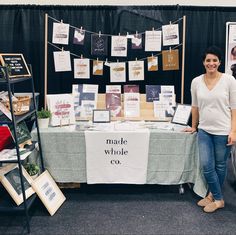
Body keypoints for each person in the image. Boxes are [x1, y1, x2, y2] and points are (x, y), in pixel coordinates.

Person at [185, 46, 236, 213]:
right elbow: (195, 106)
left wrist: (234, 131)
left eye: (215, 60)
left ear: (220, 62)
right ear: (203, 62)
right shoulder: (196, 81)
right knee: (207, 165)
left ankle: (213, 197)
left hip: (223, 130)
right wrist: (193, 126)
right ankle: (217, 197)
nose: (211, 63)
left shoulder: (229, 81)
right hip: (204, 130)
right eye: (208, 60)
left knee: (221, 166)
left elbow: (234, 108)